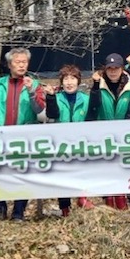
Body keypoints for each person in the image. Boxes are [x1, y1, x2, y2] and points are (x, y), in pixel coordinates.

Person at [0, 47, 42, 223]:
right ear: (9, 64)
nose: (21, 65)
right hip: (0, 134)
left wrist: (31, 91)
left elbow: (39, 110)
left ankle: (18, 212)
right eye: (17, 62)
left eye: (24, 62)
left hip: (24, 136)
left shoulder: (34, 84)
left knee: (23, 173)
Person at [43, 64, 93, 217]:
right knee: (63, 175)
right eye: (66, 79)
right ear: (61, 82)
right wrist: (50, 97)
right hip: (61, 144)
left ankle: (82, 197)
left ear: (78, 81)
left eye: (73, 79)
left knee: (81, 171)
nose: (69, 82)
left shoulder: (85, 98)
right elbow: (52, 114)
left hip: (80, 142)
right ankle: (64, 208)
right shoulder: (56, 98)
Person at [89, 53, 130, 209]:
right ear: (105, 70)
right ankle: (108, 200)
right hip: (104, 135)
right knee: (107, 168)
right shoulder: (100, 86)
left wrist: (127, 130)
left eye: (116, 68)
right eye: (110, 68)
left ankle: (121, 199)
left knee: (122, 167)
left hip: (123, 134)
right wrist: (95, 86)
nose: (113, 71)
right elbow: (93, 107)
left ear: (122, 69)